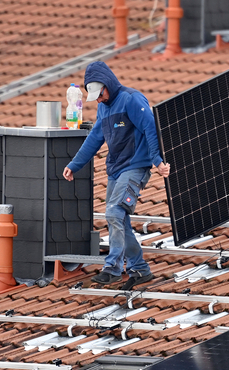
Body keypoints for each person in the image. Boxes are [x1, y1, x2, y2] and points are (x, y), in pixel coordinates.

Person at [63, 61, 170, 290]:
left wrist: (157, 161)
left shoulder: (132, 99)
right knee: (118, 220)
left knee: (113, 212)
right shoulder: (103, 107)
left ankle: (112, 269)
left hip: (135, 167)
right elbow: (95, 138)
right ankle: (140, 269)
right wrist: (75, 164)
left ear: (107, 85)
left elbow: (151, 129)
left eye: (99, 95)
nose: (98, 100)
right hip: (116, 169)